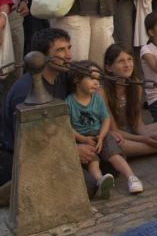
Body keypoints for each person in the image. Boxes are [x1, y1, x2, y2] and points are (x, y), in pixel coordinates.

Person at [0, 28, 100, 196]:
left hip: (56, 143)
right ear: (41, 57)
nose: (68, 55)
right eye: (61, 50)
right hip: (23, 157)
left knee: (104, 158)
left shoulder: (60, 76)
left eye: (69, 48)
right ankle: (14, 190)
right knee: (88, 186)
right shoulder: (25, 92)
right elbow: (30, 143)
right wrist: (72, 150)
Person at [65, 60, 143, 198]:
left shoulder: (97, 99)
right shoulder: (69, 102)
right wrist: (82, 139)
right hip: (83, 138)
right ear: (77, 80)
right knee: (93, 161)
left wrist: (102, 135)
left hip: (100, 134)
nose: (96, 83)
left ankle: (131, 177)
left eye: (98, 79)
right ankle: (101, 181)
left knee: (114, 154)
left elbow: (105, 119)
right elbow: (67, 127)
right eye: (92, 78)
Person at [100, 43, 157, 156]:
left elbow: (137, 124)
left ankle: (153, 146)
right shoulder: (102, 91)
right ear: (108, 67)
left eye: (129, 59)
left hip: (132, 132)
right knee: (118, 144)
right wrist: (144, 139)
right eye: (121, 61)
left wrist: (150, 136)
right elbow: (114, 130)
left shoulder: (136, 86)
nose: (127, 65)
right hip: (117, 135)